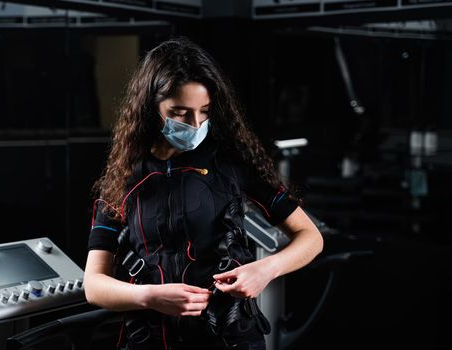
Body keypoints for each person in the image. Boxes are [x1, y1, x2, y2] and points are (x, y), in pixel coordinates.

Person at [84, 36, 323, 350]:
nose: (196, 124)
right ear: (150, 107)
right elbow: (93, 285)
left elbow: (311, 237)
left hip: (230, 339)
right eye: (181, 113)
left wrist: (265, 270)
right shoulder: (123, 179)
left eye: (205, 112)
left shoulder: (231, 164)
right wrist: (148, 297)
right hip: (150, 339)